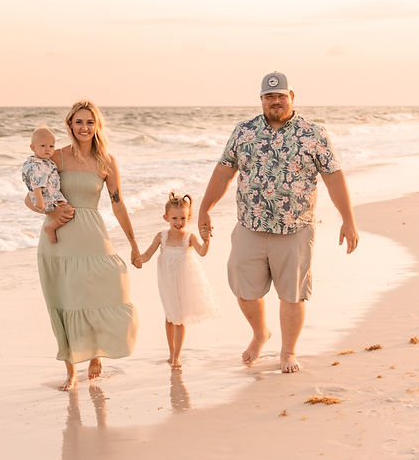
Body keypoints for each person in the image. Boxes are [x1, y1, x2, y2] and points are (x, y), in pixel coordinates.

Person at [197, 71, 360, 374]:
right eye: (269, 96)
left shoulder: (314, 133)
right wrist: (205, 208)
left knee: (292, 294)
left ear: (292, 97)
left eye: (280, 95)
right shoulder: (244, 131)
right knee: (244, 290)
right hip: (250, 226)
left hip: (295, 228)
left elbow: (334, 178)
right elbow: (223, 172)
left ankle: (288, 352)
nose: (275, 101)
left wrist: (348, 220)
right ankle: (260, 334)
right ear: (261, 99)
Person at [26, 101, 140, 391]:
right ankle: (71, 371)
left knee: (105, 291)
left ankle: (96, 354)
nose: (84, 127)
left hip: (92, 235)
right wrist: (49, 213)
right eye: (78, 122)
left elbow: (118, 205)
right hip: (60, 239)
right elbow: (30, 196)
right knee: (66, 302)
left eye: (90, 122)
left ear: (97, 125)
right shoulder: (57, 158)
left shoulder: (106, 162)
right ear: (70, 125)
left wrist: (133, 244)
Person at [133, 193, 218, 369]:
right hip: (166, 282)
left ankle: (177, 356)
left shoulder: (189, 237)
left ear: (188, 218)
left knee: (179, 318)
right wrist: (138, 259)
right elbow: (147, 255)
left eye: (183, 218)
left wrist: (207, 240)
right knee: (170, 317)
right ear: (166, 218)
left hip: (184, 281)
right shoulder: (161, 236)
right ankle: (171, 352)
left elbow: (202, 252)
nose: (179, 222)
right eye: (174, 218)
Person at [22, 126, 68, 243]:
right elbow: (36, 184)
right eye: (43, 146)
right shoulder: (37, 165)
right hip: (44, 196)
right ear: (33, 147)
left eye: (51, 146)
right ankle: (50, 228)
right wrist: (39, 201)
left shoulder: (46, 162)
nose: (48, 149)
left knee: (67, 209)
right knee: (68, 211)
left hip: (53, 194)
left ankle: (51, 227)